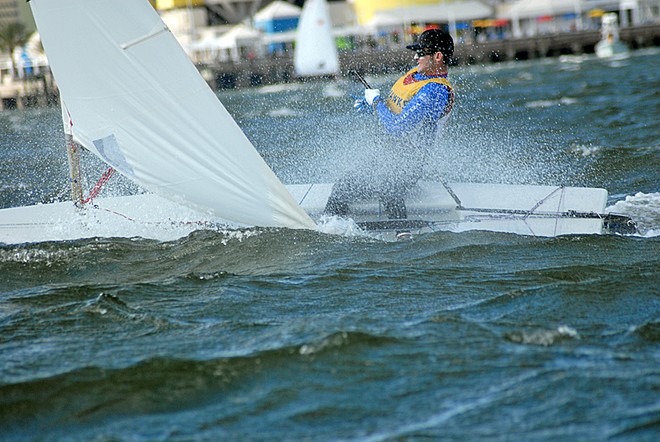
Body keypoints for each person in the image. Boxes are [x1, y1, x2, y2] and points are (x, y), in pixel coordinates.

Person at [324, 28, 455, 219]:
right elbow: (399, 109)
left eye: (421, 53)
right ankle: (329, 228)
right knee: (343, 185)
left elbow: (396, 128)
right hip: (387, 156)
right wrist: (373, 106)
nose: (416, 57)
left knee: (388, 185)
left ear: (437, 56)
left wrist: (377, 103)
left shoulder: (435, 91)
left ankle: (402, 238)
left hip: (408, 167)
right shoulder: (417, 75)